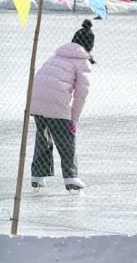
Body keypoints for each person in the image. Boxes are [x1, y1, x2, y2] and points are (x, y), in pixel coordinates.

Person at [30, 19, 95, 191]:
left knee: (43, 138)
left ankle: (37, 175)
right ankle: (71, 178)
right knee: (66, 139)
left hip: (36, 100)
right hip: (55, 103)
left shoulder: (57, 55)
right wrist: (74, 120)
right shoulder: (83, 62)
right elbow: (81, 95)